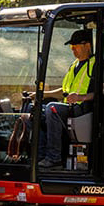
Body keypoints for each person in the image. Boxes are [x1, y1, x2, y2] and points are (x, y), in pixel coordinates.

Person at [37, 29, 96, 169]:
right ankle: (38, 157)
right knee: (35, 111)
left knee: (53, 109)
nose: (73, 50)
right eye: (71, 47)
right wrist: (40, 94)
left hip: (84, 109)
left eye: (76, 47)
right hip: (70, 107)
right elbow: (64, 92)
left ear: (87, 46)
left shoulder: (98, 65)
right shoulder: (74, 65)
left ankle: (54, 158)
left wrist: (80, 97)